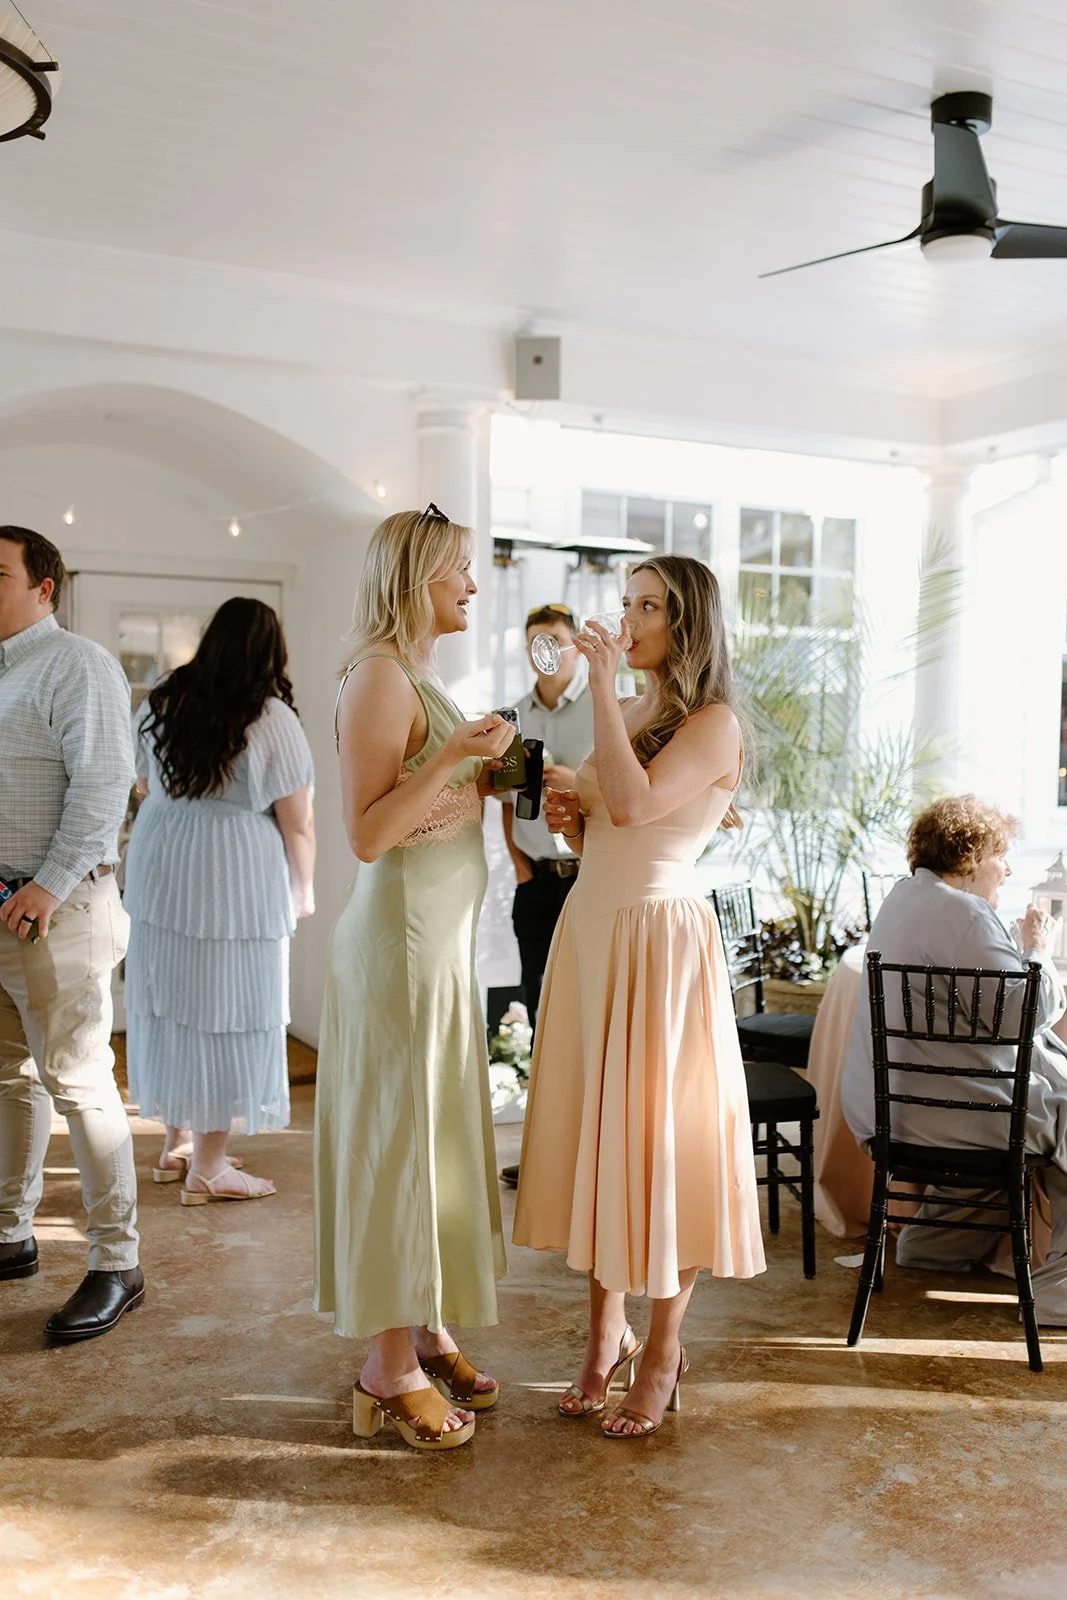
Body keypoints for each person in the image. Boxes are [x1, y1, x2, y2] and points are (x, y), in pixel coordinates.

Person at [513, 554, 765, 1439]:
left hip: (660, 941)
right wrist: (565, 820)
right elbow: (597, 824)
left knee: (656, 1144)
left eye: (648, 606)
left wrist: (602, 700)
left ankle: (660, 1349)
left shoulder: (713, 721)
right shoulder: (622, 706)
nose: (628, 619)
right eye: (625, 603)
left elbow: (631, 803)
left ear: (685, 621)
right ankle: (601, 1337)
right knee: (598, 1138)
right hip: (592, 926)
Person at [314, 504, 516, 1453]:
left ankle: (426, 1323)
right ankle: (385, 1368)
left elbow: (431, 807)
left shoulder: (422, 673)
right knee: (400, 1144)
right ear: (414, 579)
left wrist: (492, 774)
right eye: (459, 571)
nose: (473, 586)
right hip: (396, 945)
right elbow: (364, 834)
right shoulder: (379, 675)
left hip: (432, 949)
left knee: (429, 1141)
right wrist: (453, 755)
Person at [842, 795, 1067, 1324]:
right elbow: (1022, 1014)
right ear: (969, 856)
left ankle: (932, 1245)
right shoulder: (966, 913)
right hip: (952, 1114)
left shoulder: (905, 898)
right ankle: (1059, 1295)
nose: (1007, 868)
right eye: (1001, 855)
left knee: (1047, 1101)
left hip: (891, 1110)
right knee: (1059, 1111)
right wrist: (1039, 950)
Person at [123, 598, 315, 1204]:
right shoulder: (273, 717)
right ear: (269, 651)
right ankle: (208, 1165)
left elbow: (144, 784)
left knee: (171, 999)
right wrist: (303, 889)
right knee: (225, 1005)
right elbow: (298, 822)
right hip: (234, 869)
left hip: (164, 856)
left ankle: (174, 1143)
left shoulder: (162, 699)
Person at [0, 525, 142, 1343]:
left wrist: (48, 885)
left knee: (80, 1085)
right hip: (0, 910)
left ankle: (118, 1263)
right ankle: (10, 1235)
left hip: (60, 909)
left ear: (44, 587)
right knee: (7, 1078)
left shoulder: (76, 663)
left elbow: (102, 785)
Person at [498, 602, 595, 1190]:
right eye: (537, 640)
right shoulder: (515, 716)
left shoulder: (607, 708)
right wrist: (519, 864)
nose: (547, 650)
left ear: (577, 645)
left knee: (588, 1016)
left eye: (556, 640)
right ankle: (544, 1153)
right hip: (536, 886)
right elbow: (507, 802)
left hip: (591, 880)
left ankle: (589, 1153)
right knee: (541, 1016)